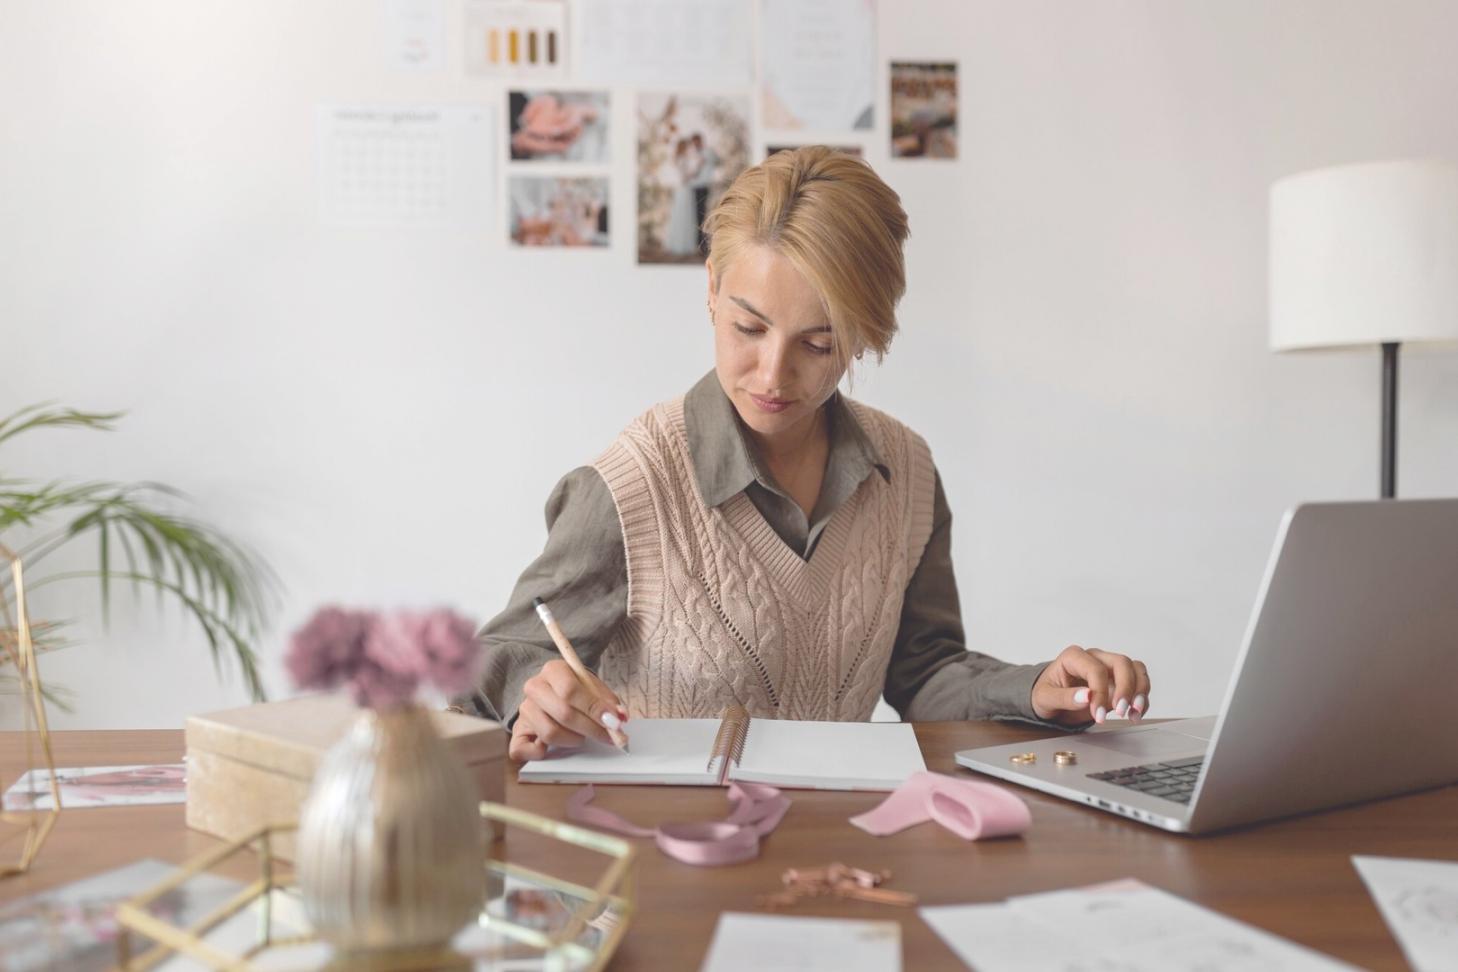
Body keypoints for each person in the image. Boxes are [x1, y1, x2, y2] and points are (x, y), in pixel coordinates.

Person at [470, 146, 1152, 762]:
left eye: (819, 343)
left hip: (843, 839)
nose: (773, 375)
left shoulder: (906, 472)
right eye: (748, 327)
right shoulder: (628, 489)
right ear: (711, 289)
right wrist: (537, 697)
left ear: (862, 333)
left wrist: (1035, 690)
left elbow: (922, 671)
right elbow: (493, 664)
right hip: (672, 844)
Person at [661, 138, 702, 257]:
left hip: (683, 189)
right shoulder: (682, 159)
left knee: (682, 214)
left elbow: (684, 174)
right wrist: (696, 168)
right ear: (683, 147)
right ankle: (681, 245)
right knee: (682, 214)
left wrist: (694, 169)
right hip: (684, 188)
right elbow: (684, 176)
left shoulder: (680, 158)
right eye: (687, 146)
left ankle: (680, 244)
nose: (689, 149)